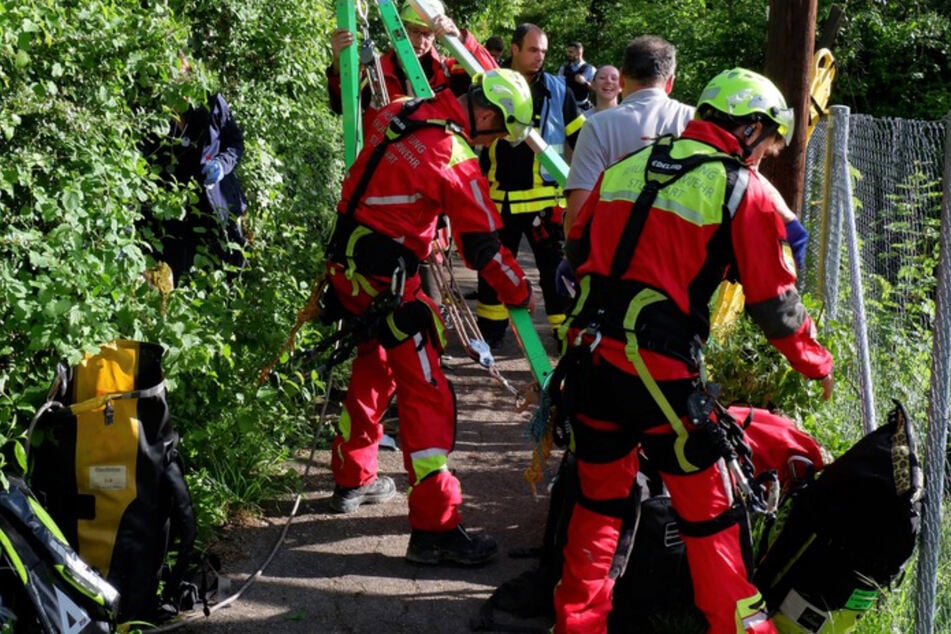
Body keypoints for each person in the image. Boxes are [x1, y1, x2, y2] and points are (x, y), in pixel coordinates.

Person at [553, 68, 834, 632]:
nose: (765, 160)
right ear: (751, 129)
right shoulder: (738, 188)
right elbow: (776, 306)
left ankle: (577, 623)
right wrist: (816, 362)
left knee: (599, 505)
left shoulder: (626, 169)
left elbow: (576, 247)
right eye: (769, 147)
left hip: (592, 364)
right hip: (662, 380)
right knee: (712, 517)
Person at [322, 68, 536, 567]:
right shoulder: (453, 155)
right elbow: (483, 244)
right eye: (498, 133)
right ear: (484, 114)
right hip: (390, 283)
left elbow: (381, 177)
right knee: (427, 394)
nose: (494, 143)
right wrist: (519, 289)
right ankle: (435, 529)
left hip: (346, 270)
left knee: (372, 366)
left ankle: (353, 477)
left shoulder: (400, 109)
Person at [476, 23, 585, 349]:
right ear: (514, 49)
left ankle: (563, 334)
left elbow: (579, 137)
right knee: (493, 269)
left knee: (555, 272)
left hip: (544, 202)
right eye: (533, 50)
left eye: (543, 51)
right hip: (500, 199)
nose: (539, 57)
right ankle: (492, 333)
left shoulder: (558, 88)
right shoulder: (489, 83)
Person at [564, 35, 693, 234]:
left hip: (611, 255)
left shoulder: (597, 126)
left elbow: (577, 219)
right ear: (670, 83)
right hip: (677, 257)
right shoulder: (694, 121)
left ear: (622, 78)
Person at [326, 0, 497, 129]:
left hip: (427, 171)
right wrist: (338, 61)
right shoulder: (375, 73)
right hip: (382, 170)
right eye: (414, 31)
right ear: (399, 28)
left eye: (428, 34)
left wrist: (460, 39)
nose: (420, 41)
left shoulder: (447, 72)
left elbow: (495, 81)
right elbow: (341, 106)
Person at [142, 81, 248, 283]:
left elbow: (235, 142)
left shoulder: (211, 102)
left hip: (220, 207)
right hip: (177, 221)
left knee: (230, 272)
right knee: (180, 281)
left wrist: (222, 164)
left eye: (184, 79)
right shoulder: (151, 118)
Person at [557, 41, 595, 111]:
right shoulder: (563, 68)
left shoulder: (590, 69)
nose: (568, 54)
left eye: (571, 52)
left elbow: (597, 89)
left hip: (583, 108)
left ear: (579, 53)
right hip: (565, 107)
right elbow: (558, 87)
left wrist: (585, 82)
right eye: (568, 52)